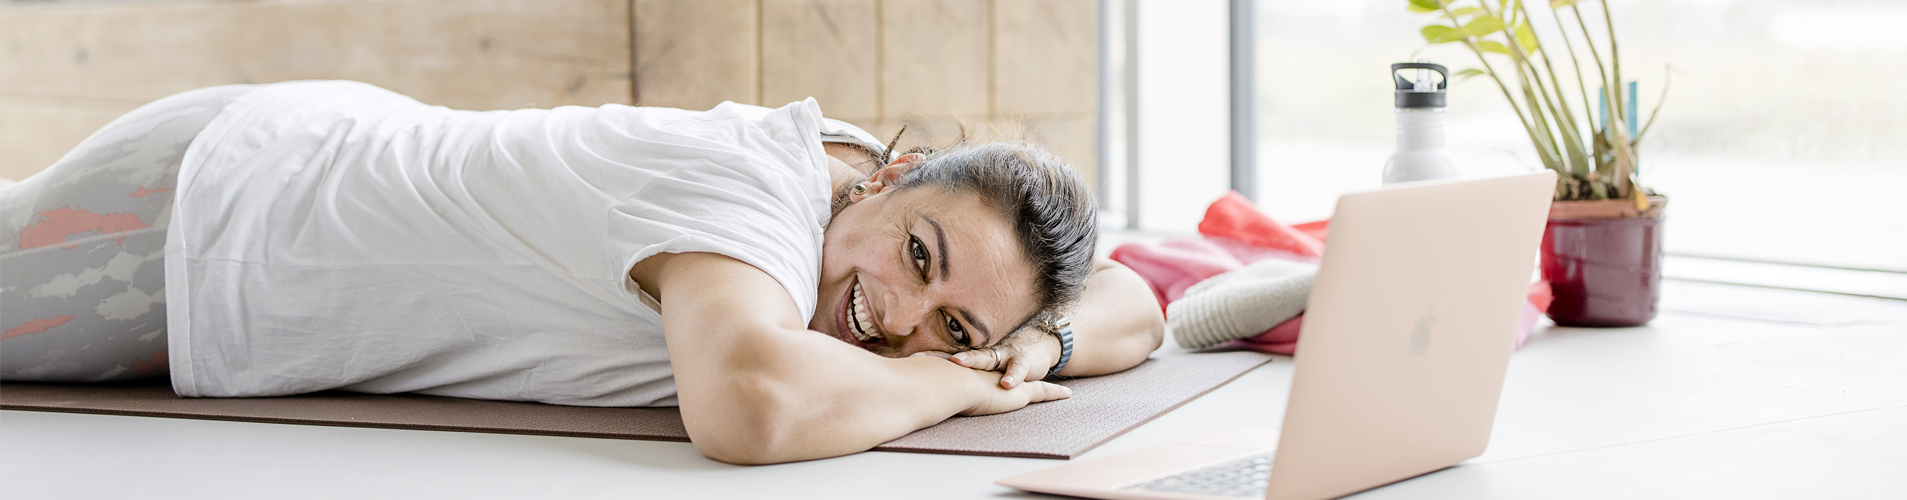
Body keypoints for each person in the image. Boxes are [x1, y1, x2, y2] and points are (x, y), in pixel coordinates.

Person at [0, 81, 1165, 464]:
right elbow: (748, 405)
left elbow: (1135, 303)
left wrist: (1032, 342)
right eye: (917, 258)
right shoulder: (744, 191)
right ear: (890, 174)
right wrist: (959, 382)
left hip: (272, 179)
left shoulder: (859, 206)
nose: (897, 314)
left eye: (949, 322)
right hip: (207, 219)